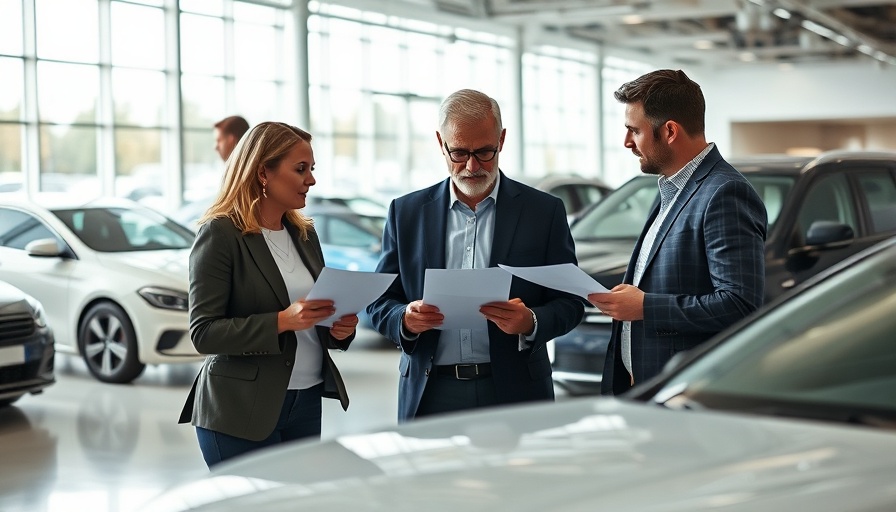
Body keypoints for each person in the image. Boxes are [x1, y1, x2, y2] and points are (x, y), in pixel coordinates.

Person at [366, 89, 585, 423]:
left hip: (515, 391)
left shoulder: (544, 212)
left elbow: (571, 301)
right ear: (441, 143)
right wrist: (405, 320)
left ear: (502, 139)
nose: (472, 166)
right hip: (430, 393)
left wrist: (531, 322)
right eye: (459, 153)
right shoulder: (406, 213)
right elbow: (380, 301)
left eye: (485, 152)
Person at [178, 121, 359, 467]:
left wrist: (337, 330)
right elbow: (204, 333)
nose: (311, 179)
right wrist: (281, 321)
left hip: (305, 401)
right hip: (239, 408)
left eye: (312, 169)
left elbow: (312, 319)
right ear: (264, 172)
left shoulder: (304, 235)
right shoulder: (220, 234)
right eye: (300, 169)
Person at [588, 69, 767, 395]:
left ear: (669, 131)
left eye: (634, 131)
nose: (627, 142)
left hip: (684, 390)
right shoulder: (672, 190)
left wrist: (645, 307)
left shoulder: (724, 193)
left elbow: (740, 304)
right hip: (647, 386)